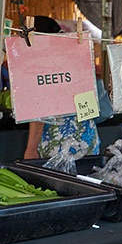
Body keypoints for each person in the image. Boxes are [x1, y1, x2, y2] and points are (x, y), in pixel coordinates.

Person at [23, 15, 101, 160]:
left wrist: (31, 148)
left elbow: (40, 110)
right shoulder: (75, 58)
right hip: (87, 138)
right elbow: (87, 103)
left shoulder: (39, 65)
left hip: (58, 142)